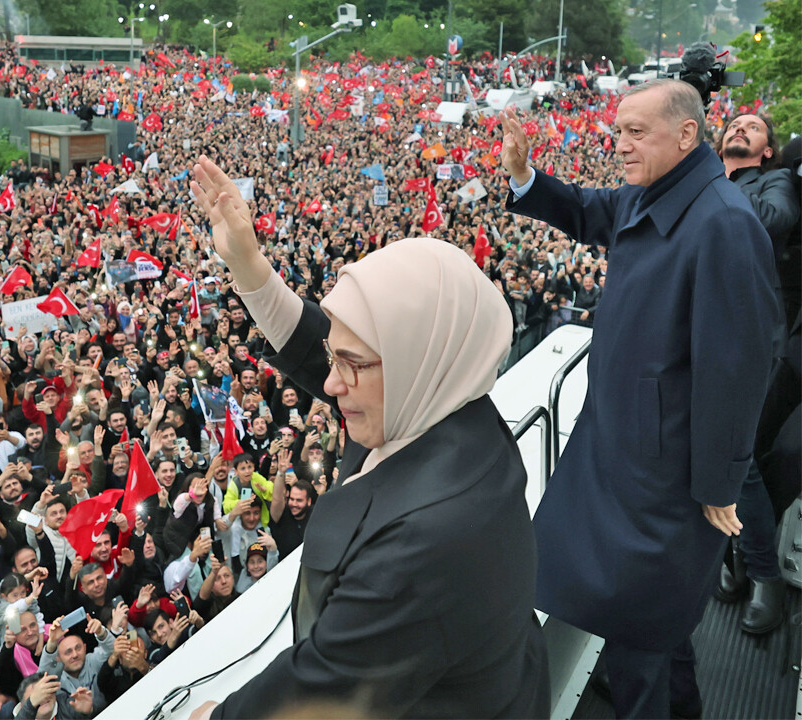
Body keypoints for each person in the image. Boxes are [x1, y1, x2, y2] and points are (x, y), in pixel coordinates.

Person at [186, 157, 549, 719]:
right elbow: (317, 343)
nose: (330, 382)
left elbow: (322, 691)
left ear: (418, 362)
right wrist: (248, 263)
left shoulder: (424, 546)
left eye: (351, 363)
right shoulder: (445, 402)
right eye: (336, 356)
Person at [501, 79, 777, 718]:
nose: (618, 144)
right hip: (622, 450)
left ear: (685, 135)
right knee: (654, 620)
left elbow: (736, 372)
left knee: (644, 630)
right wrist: (525, 177)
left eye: (634, 133)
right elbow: (584, 209)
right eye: (617, 130)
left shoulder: (726, 225)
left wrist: (717, 484)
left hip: (667, 475)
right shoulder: (653, 193)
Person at [713, 112, 799, 635]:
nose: (739, 128)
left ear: (767, 150)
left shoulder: (774, 181)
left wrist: (717, 186)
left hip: (748, 334)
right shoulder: (703, 176)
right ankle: (735, 555)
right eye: (734, 123)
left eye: (753, 126)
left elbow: (771, 219)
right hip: (698, 328)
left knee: (738, 453)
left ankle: (759, 570)